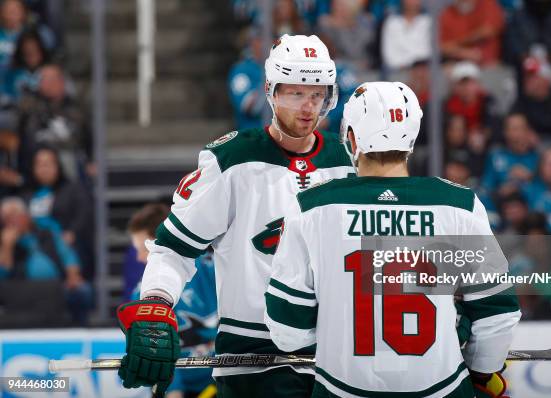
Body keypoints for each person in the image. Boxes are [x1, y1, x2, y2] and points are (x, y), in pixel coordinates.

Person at [116, 34, 353, 397]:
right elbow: (173, 249)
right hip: (254, 356)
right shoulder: (231, 160)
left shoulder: (346, 160)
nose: (308, 106)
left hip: (336, 351)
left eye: (317, 94)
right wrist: (157, 301)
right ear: (271, 92)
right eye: (295, 93)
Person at [264, 81, 520, 397]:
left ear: (352, 137)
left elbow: (288, 331)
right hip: (442, 389)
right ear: (412, 136)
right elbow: (498, 315)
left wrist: (336, 324)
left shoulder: (311, 207)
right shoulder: (459, 205)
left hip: (341, 389)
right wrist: (478, 367)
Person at [127, 203, 218, 398]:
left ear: (160, 242)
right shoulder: (142, 295)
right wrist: (172, 391)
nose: (139, 257)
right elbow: (154, 352)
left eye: (142, 248)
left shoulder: (212, 269)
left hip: (221, 380)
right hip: (176, 388)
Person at [0, 196, 92, 323]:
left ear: (26, 216)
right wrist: (7, 247)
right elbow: (3, 274)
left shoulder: (48, 233)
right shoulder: (3, 242)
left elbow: (68, 256)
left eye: (14, 215)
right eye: (6, 218)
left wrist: (73, 276)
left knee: (82, 291)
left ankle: (80, 331)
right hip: (22, 291)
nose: (10, 221)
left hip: (56, 287)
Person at [22, 146, 94, 279]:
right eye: (39, 164)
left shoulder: (73, 190)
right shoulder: (26, 194)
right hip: (33, 247)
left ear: (58, 166)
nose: (44, 169)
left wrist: (73, 233)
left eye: (48, 164)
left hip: (64, 248)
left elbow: (85, 214)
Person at [509, 56, 551, 141]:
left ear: (546, 80)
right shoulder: (520, 103)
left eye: (532, 77)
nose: (526, 81)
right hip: (525, 151)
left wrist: (539, 140)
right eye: (526, 76)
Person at [439, 0, 505, 66]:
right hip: (456, 66)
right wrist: (463, 53)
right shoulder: (446, 13)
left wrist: (457, 44)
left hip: (489, 65)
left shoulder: (486, 4)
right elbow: (441, 47)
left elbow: (488, 31)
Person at [380, 0, 431, 71]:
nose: (413, 2)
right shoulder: (392, 22)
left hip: (422, 69)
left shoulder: (428, 21)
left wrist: (416, 65)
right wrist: (403, 65)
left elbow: (427, 51)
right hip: (397, 71)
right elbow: (388, 54)